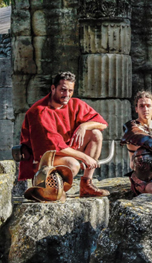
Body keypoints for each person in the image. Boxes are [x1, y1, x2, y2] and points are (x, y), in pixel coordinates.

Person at [18, 71, 109, 199]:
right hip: (42, 159)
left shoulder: (76, 104)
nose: (67, 95)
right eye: (63, 90)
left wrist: (84, 126)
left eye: (70, 91)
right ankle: (55, 188)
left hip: (64, 150)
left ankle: (86, 184)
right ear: (53, 88)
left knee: (96, 134)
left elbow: (102, 124)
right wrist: (85, 157)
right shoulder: (39, 111)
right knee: (73, 164)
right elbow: (53, 146)